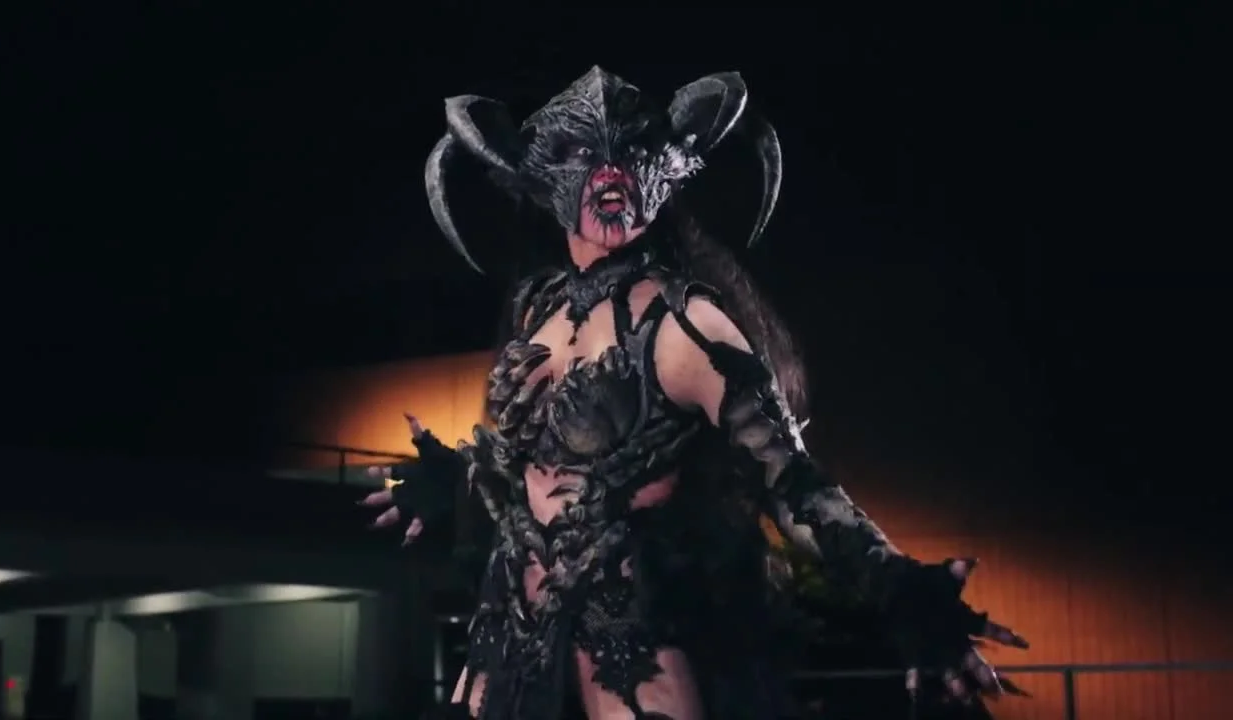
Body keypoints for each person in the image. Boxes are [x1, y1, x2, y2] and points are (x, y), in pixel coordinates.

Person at [359, 66, 1028, 720]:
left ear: (666, 172)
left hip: (627, 650)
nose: (611, 173)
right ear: (542, 178)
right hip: (510, 642)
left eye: (631, 154)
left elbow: (795, 485)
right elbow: (531, 472)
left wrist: (905, 592)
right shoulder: (540, 306)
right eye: (584, 155)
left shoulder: (688, 325)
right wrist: (456, 480)